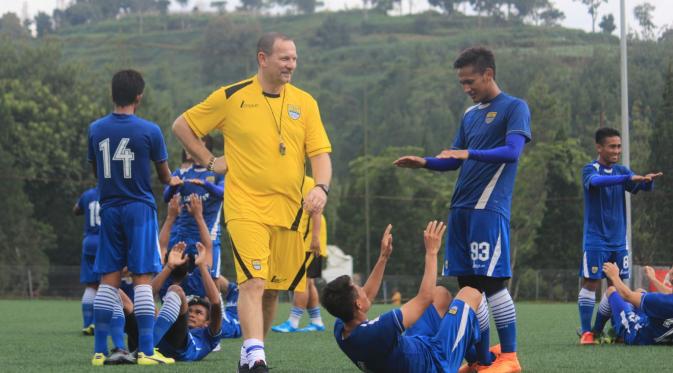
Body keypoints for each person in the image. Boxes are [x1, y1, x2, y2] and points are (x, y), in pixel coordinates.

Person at [172, 32, 332, 373]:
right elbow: (182, 125)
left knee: (273, 289)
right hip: (245, 207)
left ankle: (251, 355)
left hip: (291, 212)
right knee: (254, 282)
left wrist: (321, 188)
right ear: (263, 59)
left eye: (294, 58)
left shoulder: (305, 103)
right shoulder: (232, 96)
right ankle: (256, 354)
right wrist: (210, 160)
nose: (292, 64)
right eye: (284, 58)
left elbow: (320, 154)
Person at [394, 46, 530, 373]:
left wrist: (468, 154)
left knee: (492, 282)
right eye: (461, 84)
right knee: (468, 287)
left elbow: (512, 152)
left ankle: (510, 357)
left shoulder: (515, 107)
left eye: (470, 81)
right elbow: (452, 157)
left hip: (488, 208)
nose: (466, 89)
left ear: (488, 74)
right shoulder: (469, 115)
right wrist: (425, 162)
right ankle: (481, 359)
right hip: (461, 210)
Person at [88, 69, 180, 366]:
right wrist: (174, 182)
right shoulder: (150, 130)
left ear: (111, 94)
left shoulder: (96, 129)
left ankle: (100, 353)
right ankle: (146, 351)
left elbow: (97, 173)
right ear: (139, 97)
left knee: (108, 281)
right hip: (139, 209)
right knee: (142, 278)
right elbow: (165, 176)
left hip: (109, 208)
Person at [323, 221, 483, 373]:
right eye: (359, 289)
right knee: (470, 293)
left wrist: (383, 258)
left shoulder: (342, 328)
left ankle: (472, 357)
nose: (364, 289)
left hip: (415, 349)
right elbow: (424, 298)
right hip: (434, 363)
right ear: (358, 304)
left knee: (439, 294)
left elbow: (368, 295)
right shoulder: (376, 332)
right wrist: (432, 252)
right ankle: (482, 362)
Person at [577, 127, 662, 345]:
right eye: (612, 146)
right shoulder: (590, 169)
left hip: (618, 240)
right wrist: (627, 177)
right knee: (590, 283)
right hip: (596, 239)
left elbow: (640, 186)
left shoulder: (621, 171)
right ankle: (587, 332)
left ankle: (614, 330)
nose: (617, 151)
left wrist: (647, 181)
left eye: (619, 146)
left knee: (617, 285)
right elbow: (595, 182)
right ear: (599, 147)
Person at [123, 241, 241, 361]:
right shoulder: (169, 324)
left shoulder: (209, 336)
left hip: (176, 347)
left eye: (198, 312)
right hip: (156, 343)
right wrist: (169, 267)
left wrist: (202, 266)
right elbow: (147, 294)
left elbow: (215, 302)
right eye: (190, 311)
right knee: (119, 295)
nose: (192, 314)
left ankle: (144, 350)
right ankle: (119, 350)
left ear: (207, 322)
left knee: (176, 290)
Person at [162, 135, 224, 280]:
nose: (190, 146)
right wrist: (173, 186)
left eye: (196, 144)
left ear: (205, 148)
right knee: (178, 281)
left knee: (210, 280)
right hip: (184, 237)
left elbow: (223, 193)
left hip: (209, 237)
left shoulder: (216, 173)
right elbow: (166, 197)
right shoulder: (182, 173)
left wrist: (205, 184)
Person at [272, 176, 328, 333]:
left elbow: (316, 211)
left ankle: (293, 322)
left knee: (300, 281)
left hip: (310, 240)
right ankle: (316, 321)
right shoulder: (291, 181)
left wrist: (315, 238)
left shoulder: (308, 183)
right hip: (306, 239)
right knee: (308, 282)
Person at [601, 262, 673, 345]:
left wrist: (614, 276)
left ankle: (596, 333)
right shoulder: (668, 301)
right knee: (640, 291)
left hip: (637, 334)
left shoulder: (662, 302)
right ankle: (617, 328)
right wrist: (653, 279)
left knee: (612, 291)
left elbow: (626, 295)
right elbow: (669, 294)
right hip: (654, 328)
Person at [73, 186, 101, 336]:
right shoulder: (112, 192)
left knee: (91, 285)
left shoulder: (88, 194)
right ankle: (97, 323)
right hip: (105, 242)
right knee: (106, 284)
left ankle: (86, 324)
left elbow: (76, 210)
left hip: (89, 242)